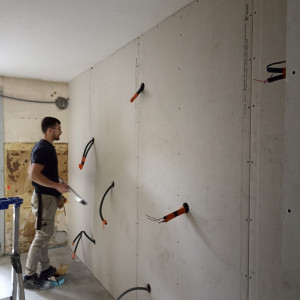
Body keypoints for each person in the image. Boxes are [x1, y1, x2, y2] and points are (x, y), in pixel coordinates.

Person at [23, 117, 69, 290]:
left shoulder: (43, 147)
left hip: (46, 198)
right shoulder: (44, 148)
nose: (60, 131)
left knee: (44, 234)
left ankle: (45, 269)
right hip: (44, 199)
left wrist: (57, 184)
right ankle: (29, 275)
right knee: (42, 235)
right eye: (58, 128)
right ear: (50, 130)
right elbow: (33, 175)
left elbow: (33, 171)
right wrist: (56, 186)